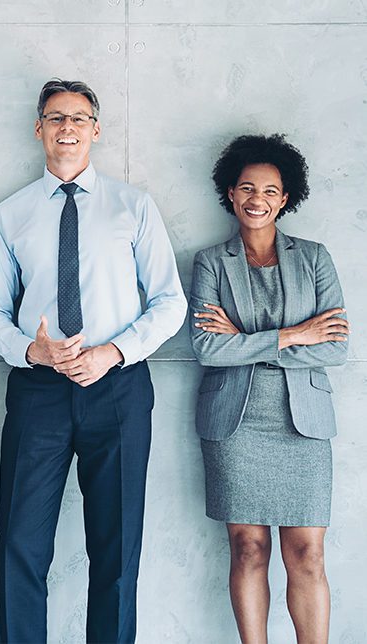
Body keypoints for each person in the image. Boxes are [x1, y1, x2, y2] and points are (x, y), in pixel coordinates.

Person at [0, 78, 187, 644]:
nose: (66, 127)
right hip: (38, 389)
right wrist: (31, 350)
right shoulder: (11, 214)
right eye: (54, 117)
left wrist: (113, 352)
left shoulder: (134, 206)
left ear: (94, 130)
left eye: (77, 118)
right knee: (20, 541)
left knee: (117, 547)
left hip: (117, 388)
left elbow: (170, 301)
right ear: (39, 129)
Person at [190, 134, 348, 644]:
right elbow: (207, 349)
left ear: (286, 198)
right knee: (249, 549)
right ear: (231, 194)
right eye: (247, 188)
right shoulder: (211, 262)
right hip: (235, 425)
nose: (258, 199)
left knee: (307, 553)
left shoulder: (316, 258)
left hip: (302, 423)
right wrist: (293, 335)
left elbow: (335, 349)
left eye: (271, 191)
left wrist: (247, 341)